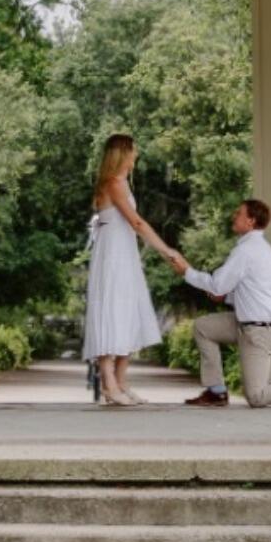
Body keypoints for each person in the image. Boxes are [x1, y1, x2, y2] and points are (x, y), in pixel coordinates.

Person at [171, 199, 271, 407]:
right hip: (245, 324)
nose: (233, 216)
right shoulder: (259, 249)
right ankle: (216, 391)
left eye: (238, 213)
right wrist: (226, 296)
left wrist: (187, 272)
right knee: (203, 327)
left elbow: (217, 285)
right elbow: (254, 291)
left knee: (257, 396)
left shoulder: (247, 251)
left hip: (260, 332)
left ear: (251, 221)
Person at [83, 133, 180, 406]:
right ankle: (109, 383)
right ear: (123, 153)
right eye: (133, 150)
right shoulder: (113, 183)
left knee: (129, 311)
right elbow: (136, 223)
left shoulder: (122, 183)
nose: (136, 154)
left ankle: (121, 381)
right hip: (113, 255)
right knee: (111, 311)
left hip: (125, 254)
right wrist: (166, 250)